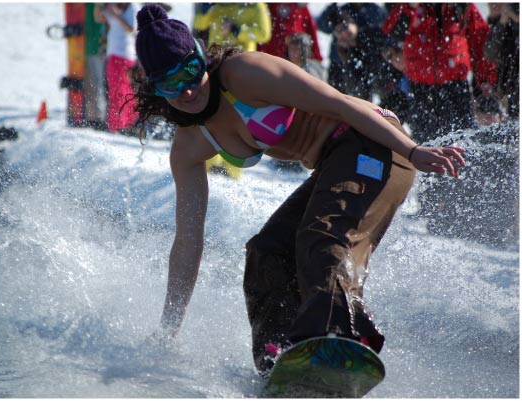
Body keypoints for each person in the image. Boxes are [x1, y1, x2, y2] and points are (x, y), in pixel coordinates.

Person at [132, 4, 465, 375]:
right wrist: (169, 328)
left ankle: (340, 340)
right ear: (155, 88)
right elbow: (188, 241)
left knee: (322, 238)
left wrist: (413, 150)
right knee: (267, 252)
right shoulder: (189, 146)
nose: (187, 89)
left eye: (191, 71)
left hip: (376, 143)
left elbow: (339, 104)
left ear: (201, 57)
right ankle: (283, 359)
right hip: (333, 163)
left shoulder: (244, 73)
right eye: (170, 83)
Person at [382, 4, 498, 143]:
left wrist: (485, 82)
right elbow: (390, 31)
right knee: (425, 144)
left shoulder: (462, 6)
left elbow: (481, 45)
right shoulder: (410, 7)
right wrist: (409, 7)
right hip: (421, 89)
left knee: (464, 141)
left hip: (456, 87)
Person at [94, 3, 139, 133]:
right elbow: (99, 18)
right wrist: (97, 5)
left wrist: (117, 15)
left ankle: (124, 124)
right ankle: (117, 124)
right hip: (112, 54)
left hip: (124, 54)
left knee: (123, 90)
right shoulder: (114, 5)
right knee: (114, 89)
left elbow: (132, 29)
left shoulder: (133, 7)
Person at [484, 3, 519, 119]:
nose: (494, 4)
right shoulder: (501, 23)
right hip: (512, 92)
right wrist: (503, 22)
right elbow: (490, 53)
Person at [193, 2, 272, 52]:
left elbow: (264, 34)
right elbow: (199, 25)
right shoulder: (218, 4)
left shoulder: (255, 5)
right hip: (215, 58)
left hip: (242, 59)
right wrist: (204, 10)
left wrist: (236, 30)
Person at [258, 3, 322, 63]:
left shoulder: (300, 7)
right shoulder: (264, 5)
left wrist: (316, 57)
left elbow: (311, 31)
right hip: (268, 56)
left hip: (294, 59)